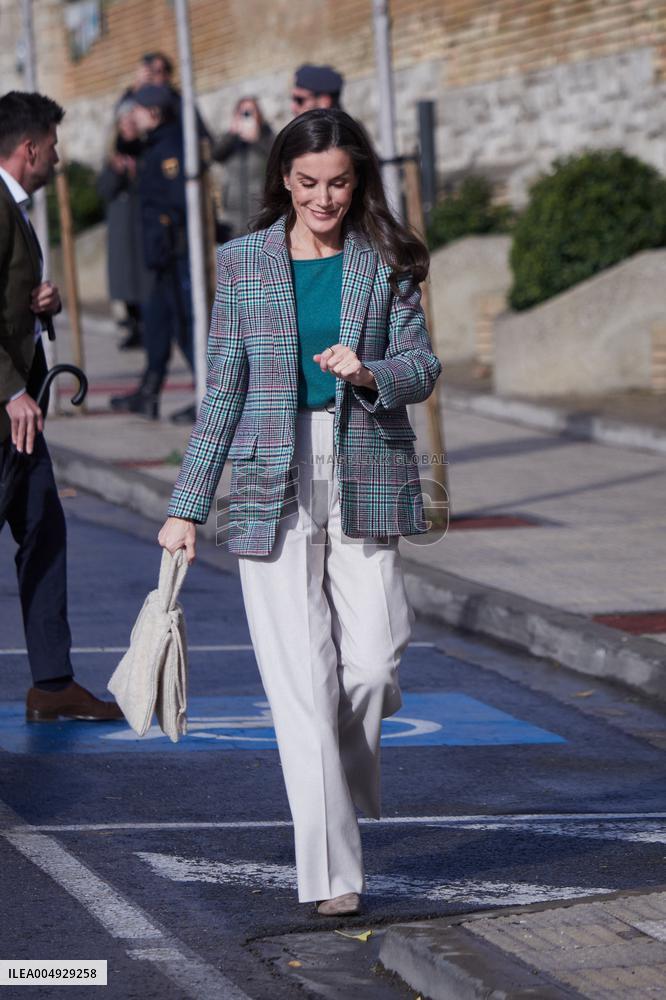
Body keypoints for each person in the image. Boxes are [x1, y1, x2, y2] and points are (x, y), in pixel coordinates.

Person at [158, 108, 441, 914]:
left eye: (340, 183)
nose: (325, 198)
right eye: (309, 182)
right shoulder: (242, 261)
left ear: (360, 180)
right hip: (266, 472)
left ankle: (335, 781)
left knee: (378, 658)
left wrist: (368, 372)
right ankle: (334, 878)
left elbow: (423, 366)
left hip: (364, 467)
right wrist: (187, 505)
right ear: (284, 176)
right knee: (301, 687)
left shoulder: (384, 256)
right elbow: (223, 394)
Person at [0, 91, 124, 722]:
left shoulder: (15, 208)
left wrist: (37, 304)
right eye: (52, 145)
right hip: (6, 409)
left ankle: (52, 683)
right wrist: (9, 389)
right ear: (30, 149)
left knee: (44, 531)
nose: (57, 157)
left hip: (22, 415)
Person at [110, 85, 196, 424]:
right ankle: (149, 391)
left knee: (185, 326)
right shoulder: (156, 144)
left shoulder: (170, 146)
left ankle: (212, 391)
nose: (135, 116)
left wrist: (165, 232)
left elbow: (178, 199)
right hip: (162, 256)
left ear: (156, 113)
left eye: (140, 111)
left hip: (174, 253)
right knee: (157, 319)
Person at [97, 99, 152, 350]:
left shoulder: (148, 147)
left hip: (143, 220)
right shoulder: (112, 153)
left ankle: (148, 325)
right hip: (122, 222)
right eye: (124, 122)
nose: (128, 126)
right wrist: (117, 171)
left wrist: (136, 170)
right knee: (124, 276)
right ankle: (132, 325)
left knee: (144, 274)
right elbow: (104, 189)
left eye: (132, 121)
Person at [212, 97, 273, 238]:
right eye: (242, 112)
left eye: (250, 112)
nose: (246, 116)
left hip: (259, 212)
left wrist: (257, 140)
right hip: (233, 215)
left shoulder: (266, 135)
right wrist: (232, 134)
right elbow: (215, 155)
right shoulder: (231, 139)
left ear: (258, 114)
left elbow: (277, 157)